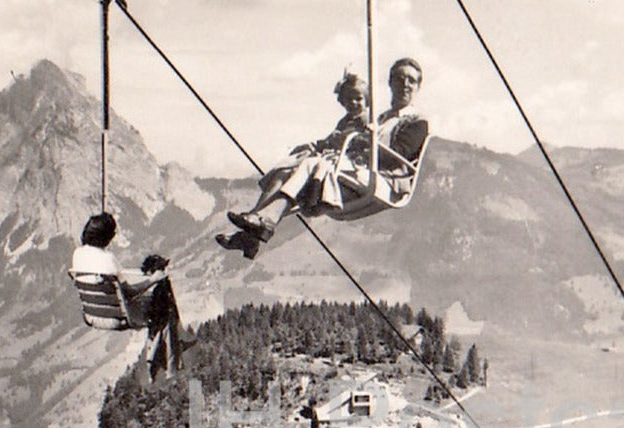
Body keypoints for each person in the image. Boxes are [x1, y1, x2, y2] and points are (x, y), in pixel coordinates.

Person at [218, 59, 429, 258]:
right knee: (290, 168)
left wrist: (364, 142)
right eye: (400, 78)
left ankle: (264, 221)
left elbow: (399, 155)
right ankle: (253, 230)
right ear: (391, 82)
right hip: (358, 169)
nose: (405, 84)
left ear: (418, 86)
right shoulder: (381, 117)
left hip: (383, 178)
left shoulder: (416, 122)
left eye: (411, 80)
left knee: (312, 164)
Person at [71, 212, 190, 379]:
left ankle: (166, 359)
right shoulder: (108, 258)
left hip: (94, 315)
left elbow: (115, 283)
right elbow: (130, 292)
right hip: (119, 317)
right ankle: (171, 367)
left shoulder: (78, 254)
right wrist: (152, 279)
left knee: (160, 301)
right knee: (165, 304)